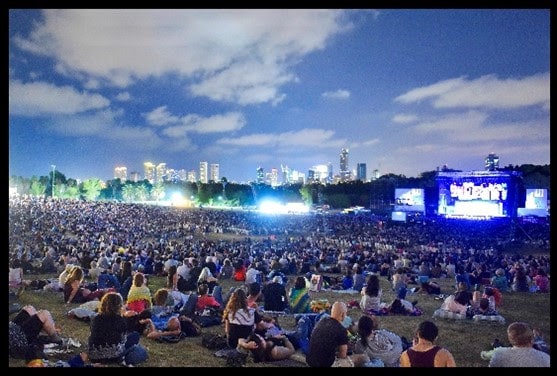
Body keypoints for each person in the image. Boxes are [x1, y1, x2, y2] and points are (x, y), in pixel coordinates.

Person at [88, 292, 148, 366]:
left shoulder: (95, 318)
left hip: (94, 355)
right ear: (119, 306)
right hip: (114, 356)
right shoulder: (121, 321)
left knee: (134, 336)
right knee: (136, 337)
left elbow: (93, 334)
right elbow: (122, 341)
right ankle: (129, 356)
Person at [306, 301, 368, 367]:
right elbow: (342, 355)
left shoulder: (322, 321)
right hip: (326, 364)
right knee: (362, 358)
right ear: (343, 315)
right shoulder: (341, 330)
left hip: (310, 361)